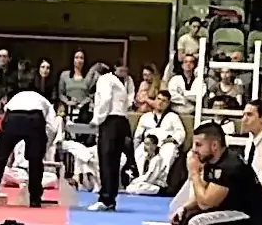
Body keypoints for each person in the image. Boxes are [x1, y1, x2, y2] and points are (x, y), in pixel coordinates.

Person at [0, 72, 58, 208]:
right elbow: (52, 127)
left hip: (13, 117)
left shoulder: (15, 98)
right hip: (34, 119)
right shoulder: (43, 100)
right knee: (35, 161)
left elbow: (5, 115)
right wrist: (43, 147)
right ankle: (35, 199)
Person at [88, 64, 131, 212]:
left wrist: (97, 119)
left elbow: (105, 99)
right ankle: (110, 199)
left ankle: (105, 199)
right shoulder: (118, 82)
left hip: (110, 121)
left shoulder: (105, 79)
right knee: (113, 162)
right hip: (120, 121)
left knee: (106, 161)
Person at [133, 89, 185, 175]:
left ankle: (161, 177)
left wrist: (169, 140)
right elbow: (137, 136)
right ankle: (142, 176)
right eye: (158, 99)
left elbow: (180, 134)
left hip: (166, 144)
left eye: (164, 101)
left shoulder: (173, 117)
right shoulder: (145, 117)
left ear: (168, 103)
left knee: (169, 150)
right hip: (149, 143)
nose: (160, 102)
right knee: (140, 151)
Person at [58, 49, 91, 123]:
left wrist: (81, 104)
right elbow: (61, 94)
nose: (79, 60)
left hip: (83, 111)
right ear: (72, 60)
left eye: (81, 58)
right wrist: (68, 102)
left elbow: (90, 95)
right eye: (76, 57)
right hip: (67, 110)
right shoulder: (65, 75)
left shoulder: (88, 77)